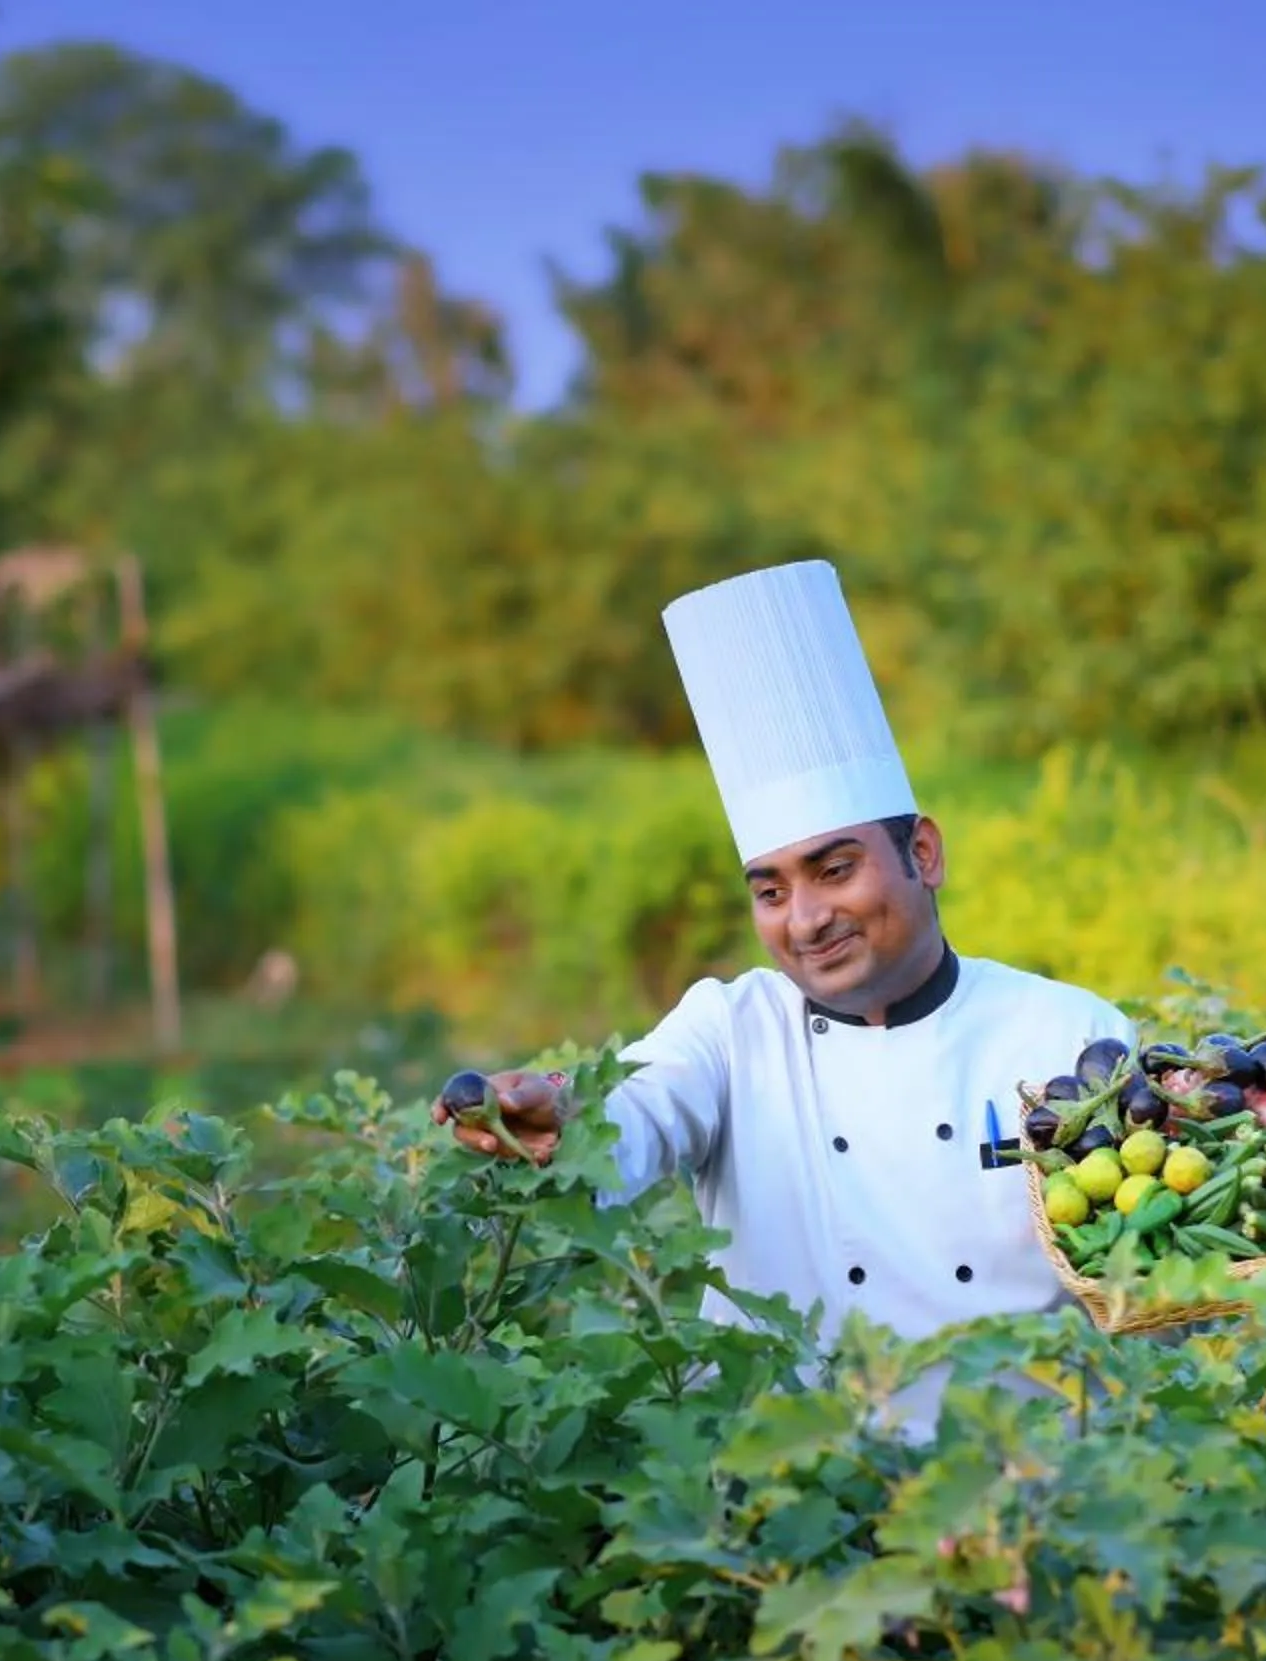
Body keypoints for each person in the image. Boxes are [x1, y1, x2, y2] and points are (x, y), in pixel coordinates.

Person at [431, 559, 1134, 1438]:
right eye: (770, 890)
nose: (805, 920)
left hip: (1026, 1487)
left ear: (923, 854)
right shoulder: (731, 1031)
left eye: (835, 870)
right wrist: (558, 1115)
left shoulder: (1067, 1031)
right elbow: (635, 1110)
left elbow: (1148, 1276)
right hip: (786, 1489)